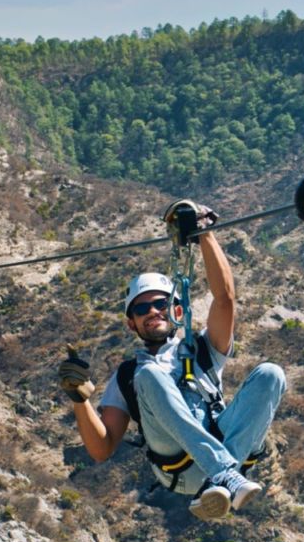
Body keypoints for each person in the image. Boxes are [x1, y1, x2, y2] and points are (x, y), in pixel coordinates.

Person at [58, 201, 286, 520]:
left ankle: (221, 477)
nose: (152, 311)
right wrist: (79, 401)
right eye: (141, 309)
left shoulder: (203, 349)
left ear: (176, 311)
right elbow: (102, 448)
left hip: (226, 449)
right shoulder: (128, 376)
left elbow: (225, 299)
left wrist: (204, 234)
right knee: (148, 375)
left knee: (271, 374)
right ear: (131, 324)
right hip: (178, 465)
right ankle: (224, 474)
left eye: (161, 304)